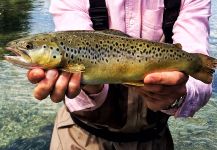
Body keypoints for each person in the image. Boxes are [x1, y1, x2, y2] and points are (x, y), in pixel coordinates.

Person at [27, 0, 212, 149]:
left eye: (29, 47)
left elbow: (202, 82)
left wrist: (176, 96)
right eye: (30, 47)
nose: (26, 50)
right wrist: (90, 85)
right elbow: (75, 36)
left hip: (155, 138)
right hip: (79, 138)